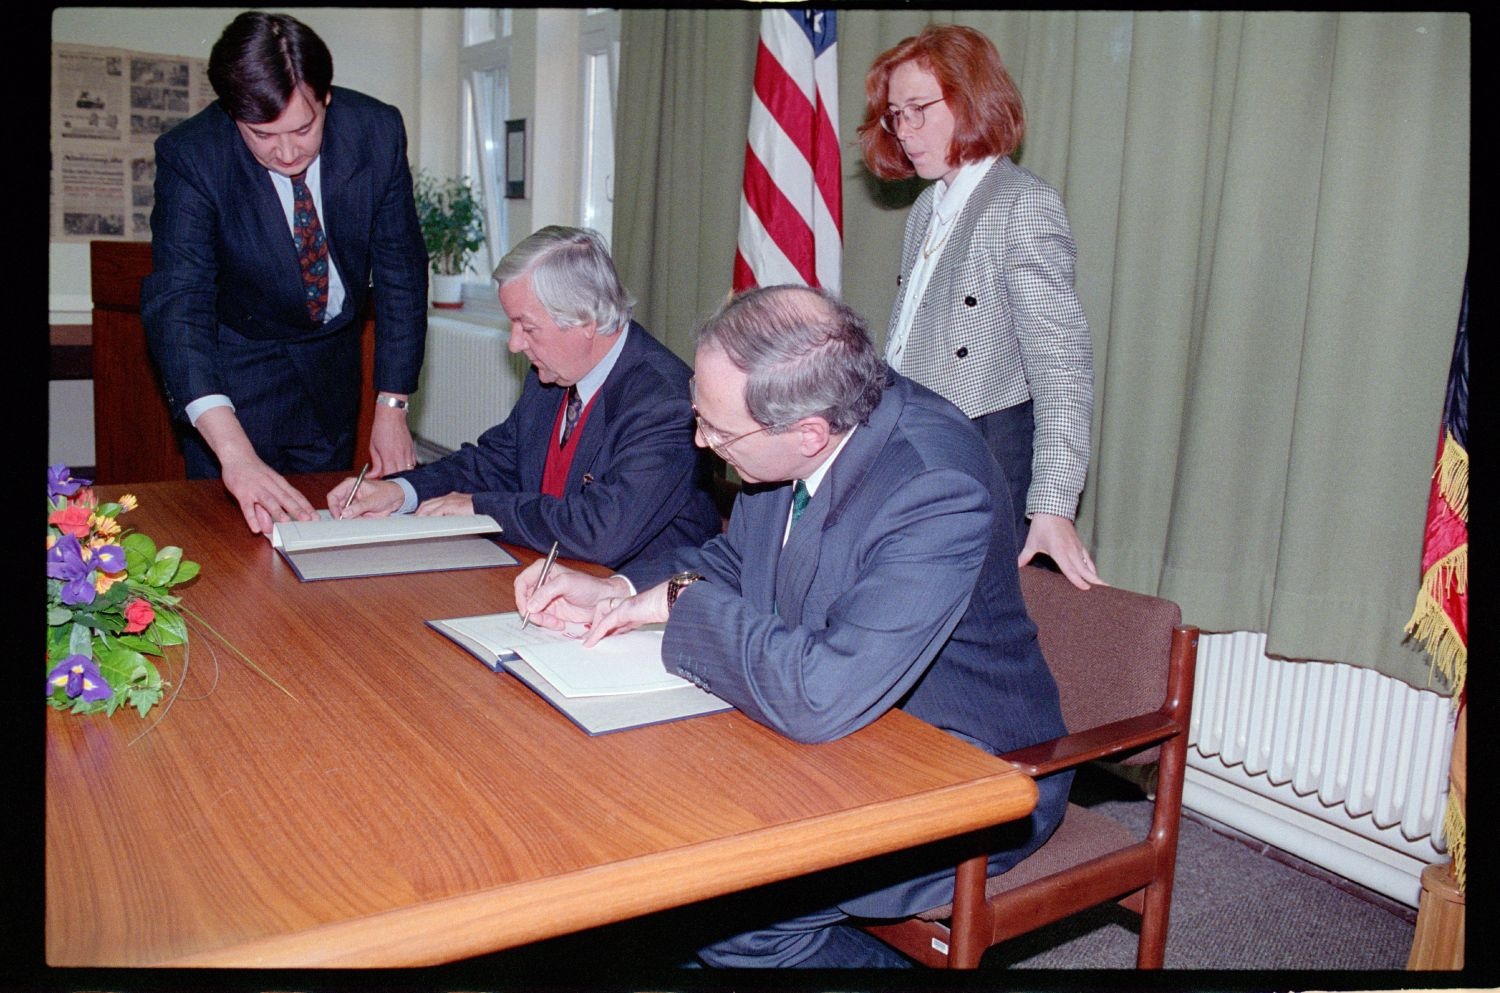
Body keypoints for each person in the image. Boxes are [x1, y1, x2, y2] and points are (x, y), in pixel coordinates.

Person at [514, 285, 1070, 967]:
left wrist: (682, 605)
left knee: (728, 909)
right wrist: (621, 590)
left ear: (809, 432)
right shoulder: (805, 422)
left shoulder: (934, 486)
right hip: (853, 737)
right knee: (635, 832)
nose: (700, 442)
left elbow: (818, 693)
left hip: (965, 772)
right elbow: (733, 560)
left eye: (716, 430)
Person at [141, 11, 428, 535]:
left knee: (327, 531)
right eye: (263, 135)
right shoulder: (193, 156)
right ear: (232, 115)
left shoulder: (377, 131)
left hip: (331, 365)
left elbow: (400, 272)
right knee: (227, 543)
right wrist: (235, 454)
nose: (289, 151)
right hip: (234, 370)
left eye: (304, 127)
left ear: (326, 99)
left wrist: (392, 406)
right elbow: (180, 306)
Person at [330, 226, 721, 583]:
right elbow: (495, 462)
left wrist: (482, 508)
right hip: (544, 573)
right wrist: (402, 491)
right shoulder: (552, 374)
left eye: (527, 327)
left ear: (586, 320)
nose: (515, 344)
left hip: (633, 604)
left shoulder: (664, 402)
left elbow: (601, 532)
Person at [859, 24, 1102, 590]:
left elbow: (1062, 366)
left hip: (981, 453)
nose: (905, 131)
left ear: (971, 100)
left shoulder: (1021, 203)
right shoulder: (925, 206)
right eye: (896, 114)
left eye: (920, 109)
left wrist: (1053, 504)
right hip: (914, 442)